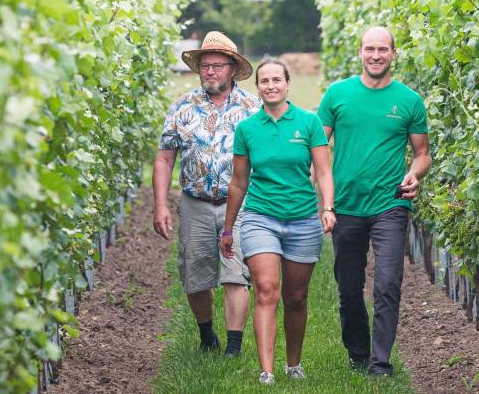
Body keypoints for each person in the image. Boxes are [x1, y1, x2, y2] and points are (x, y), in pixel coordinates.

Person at [317, 25, 432, 377]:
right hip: (347, 206)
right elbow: (319, 151)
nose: (376, 55)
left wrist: (415, 173)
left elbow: (422, 153)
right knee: (349, 289)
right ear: (360, 53)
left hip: (390, 205)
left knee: (386, 284)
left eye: (383, 49)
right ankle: (358, 352)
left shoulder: (409, 100)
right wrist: (324, 201)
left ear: (393, 54)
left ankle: (381, 362)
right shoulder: (337, 96)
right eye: (370, 49)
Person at [219, 58, 336, 386]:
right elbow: (239, 182)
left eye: (276, 80)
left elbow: (324, 171)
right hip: (260, 218)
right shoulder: (247, 129)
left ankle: (293, 364)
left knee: (296, 297)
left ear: (287, 84)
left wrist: (327, 207)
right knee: (267, 289)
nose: (270, 86)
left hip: (302, 220)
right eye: (264, 81)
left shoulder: (308, 123)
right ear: (258, 88)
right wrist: (229, 228)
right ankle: (267, 371)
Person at [153, 31, 261, 357]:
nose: (210, 71)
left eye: (218, 65)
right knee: (195, 274)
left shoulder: (252, 108)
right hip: (195, 202)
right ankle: (206, 335)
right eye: (205, 66)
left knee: (236, 272)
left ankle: (233, 346)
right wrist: (160, 205)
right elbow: (164, 156)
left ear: (232, 69)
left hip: (240, 203)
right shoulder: (182, 107)